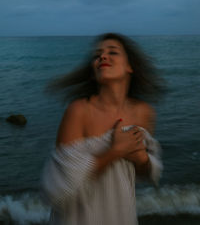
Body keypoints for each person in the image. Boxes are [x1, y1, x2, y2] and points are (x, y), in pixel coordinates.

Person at [41, 33, 164, 225]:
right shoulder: (79, 111)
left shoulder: (144, 113)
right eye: (97, 55)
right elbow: (57, 188)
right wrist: (115, 151)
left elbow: (143, 172)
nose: (102, 57)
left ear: (130, 66)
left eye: (112, 52)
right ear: (93, 71)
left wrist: (141, 158)